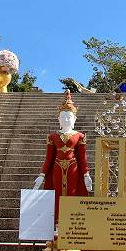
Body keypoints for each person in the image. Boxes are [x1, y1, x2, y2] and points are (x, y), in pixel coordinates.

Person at [34, 90, 92, 221]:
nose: (66, 119)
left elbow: (83, 158)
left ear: (74, 119)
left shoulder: (80, 136)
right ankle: (56, 226)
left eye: (69, 117)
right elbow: (48, 158)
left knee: (72, 193)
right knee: (57, 195)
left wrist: (86, 175)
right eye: (63, 117)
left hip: (73, 168)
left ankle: (72, 225)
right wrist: (41, 175)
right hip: (57, 168)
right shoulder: (53, 136)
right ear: (58, 119)